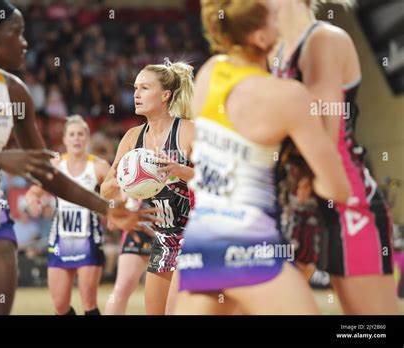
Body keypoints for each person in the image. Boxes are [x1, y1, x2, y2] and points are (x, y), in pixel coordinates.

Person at [0, 0, 155, 315]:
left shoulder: (15, 93)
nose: (25, 43)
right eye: (17, 33)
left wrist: (107, 209)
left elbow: (45, 173)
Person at [175, 0, 351, 315]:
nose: (280, 16)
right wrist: (309, 177)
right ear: (259, 37)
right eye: (273, 15)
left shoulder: (209, 73)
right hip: (249, 247)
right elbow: (338, 188)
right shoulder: (287, 96)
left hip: (200, 243)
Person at [272, 0, 399, 314]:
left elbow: (324, 137)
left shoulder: (323, 40)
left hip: (345, 201)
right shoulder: (275, 51)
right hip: (297, 195)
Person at [101, 61, 195, 315]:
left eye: (144, 88)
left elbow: (215, 183)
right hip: (163, 236)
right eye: (135, 88)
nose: (136, 94)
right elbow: (104, 190)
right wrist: (126, 177)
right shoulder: (132, 138)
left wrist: (180, 171)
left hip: (195, 235)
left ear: (165, 95)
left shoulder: (187, 131)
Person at [26, 116, 109, 315]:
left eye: (80, 134)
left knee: (89, 302)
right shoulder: (56, 165)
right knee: (60, 306)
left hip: (88, 238)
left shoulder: (98, 166)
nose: (76, 138)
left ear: (87, 138)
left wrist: (114, 213)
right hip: (60, 238)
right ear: (64, 140)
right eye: (71, 134)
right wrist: (32, 200)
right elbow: (33, 191)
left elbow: (117, 193)